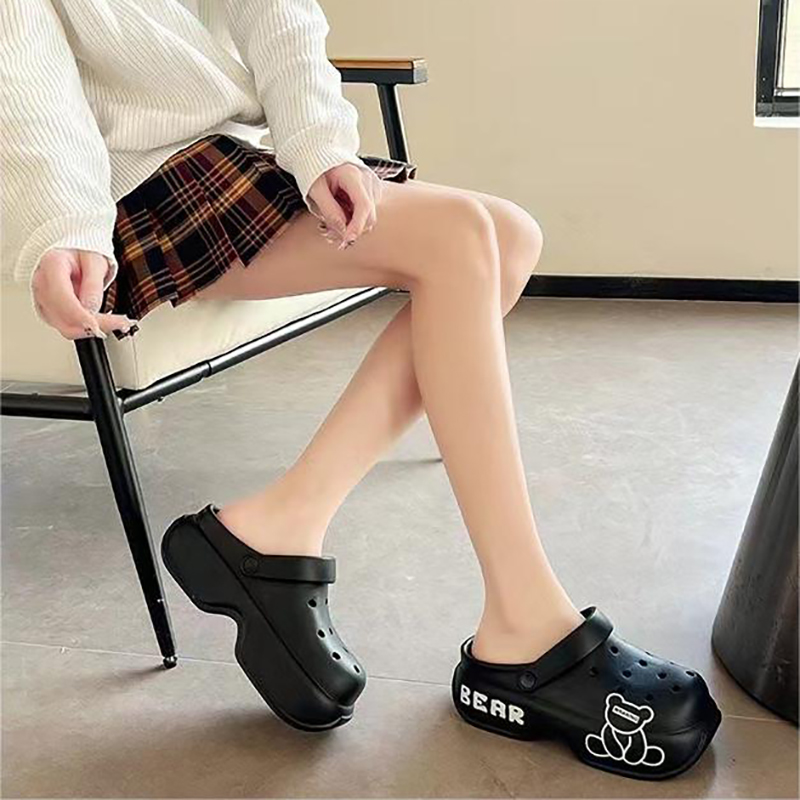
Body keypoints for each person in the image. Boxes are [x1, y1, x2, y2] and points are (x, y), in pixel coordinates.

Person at [1, 0, 722, 781]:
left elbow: (276, 11)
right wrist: (67, 227)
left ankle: (282, 524)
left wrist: (318, 146)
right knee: (458, 237)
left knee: (511, 235)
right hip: (131, 181)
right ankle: (524, 624)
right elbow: (23, 69)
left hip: (238, 148)